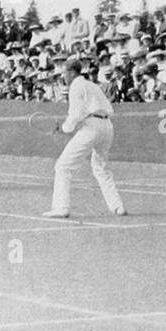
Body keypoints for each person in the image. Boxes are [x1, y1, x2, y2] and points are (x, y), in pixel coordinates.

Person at [43, 58, 127, 218]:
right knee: (101, 168)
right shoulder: (91, 84)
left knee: (62, 166)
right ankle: (117, 206)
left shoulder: (76, 86)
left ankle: (61, 208)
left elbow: (76, 114)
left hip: (92, 127)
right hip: (107, 127)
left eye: (64, 73)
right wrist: (68, 127)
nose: (63, 77)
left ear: (72, 72)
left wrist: (65, 128)